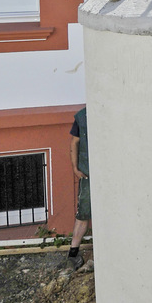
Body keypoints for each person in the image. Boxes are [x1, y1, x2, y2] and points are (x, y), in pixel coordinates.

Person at [67, 106, 90, 270]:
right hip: (87, 173)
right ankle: (73, 253)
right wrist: (75, 168)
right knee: (83, 213)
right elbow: (74, 142)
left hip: (109, 173)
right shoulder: (82, 117)